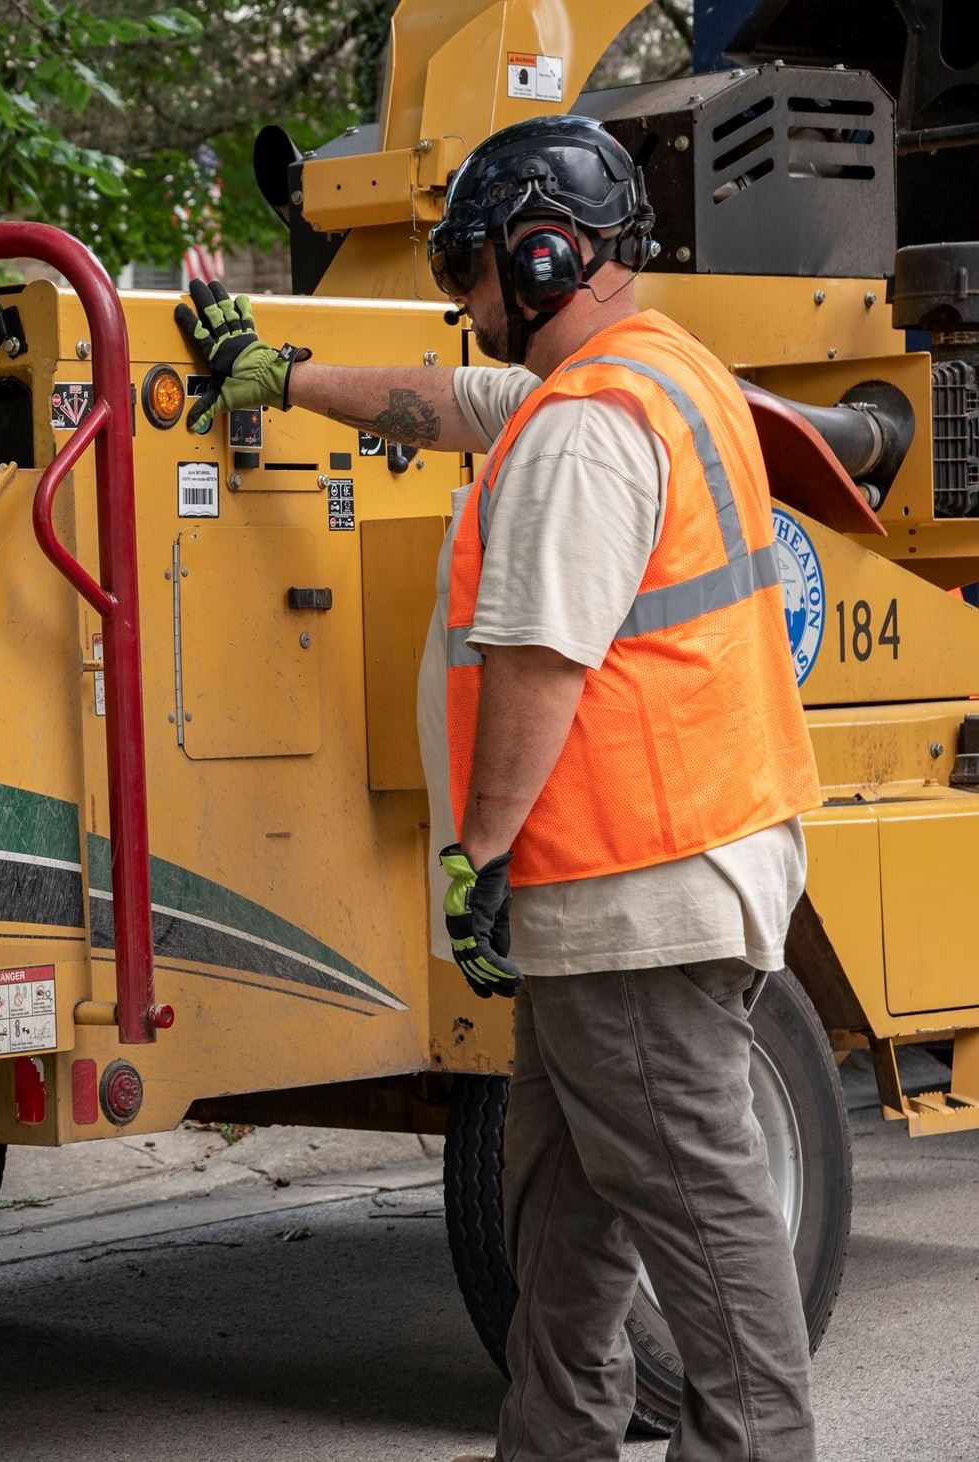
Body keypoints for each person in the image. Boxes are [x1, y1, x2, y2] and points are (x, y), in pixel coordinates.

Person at [177, 115, 821, 1461]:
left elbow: (537, 671)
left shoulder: (585, 432)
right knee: (564, 1238)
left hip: (629, 897)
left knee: (706, 1244)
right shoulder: (658, 375)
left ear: (543, 251)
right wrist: (279, 374)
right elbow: (451, 403)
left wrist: (477, 853)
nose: (462, 304)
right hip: (655, 884)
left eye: (472, 270)